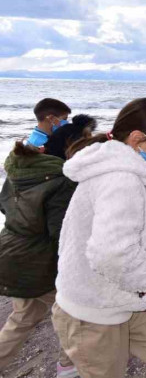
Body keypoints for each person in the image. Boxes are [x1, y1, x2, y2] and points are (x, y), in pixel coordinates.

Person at [52, 98, 146, 377]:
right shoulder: (122, 179)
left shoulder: (130, 171)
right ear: (136, 138)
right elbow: (111, 253)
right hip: (94, 308)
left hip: (130, 298)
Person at [0, 132, 81, 378]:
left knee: (22, 318)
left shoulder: (15, 175)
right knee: (74, 314)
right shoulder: (60, 180)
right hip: (40, 262)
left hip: (9, 253)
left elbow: (4, 206)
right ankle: (69, 367)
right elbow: (61, 233)